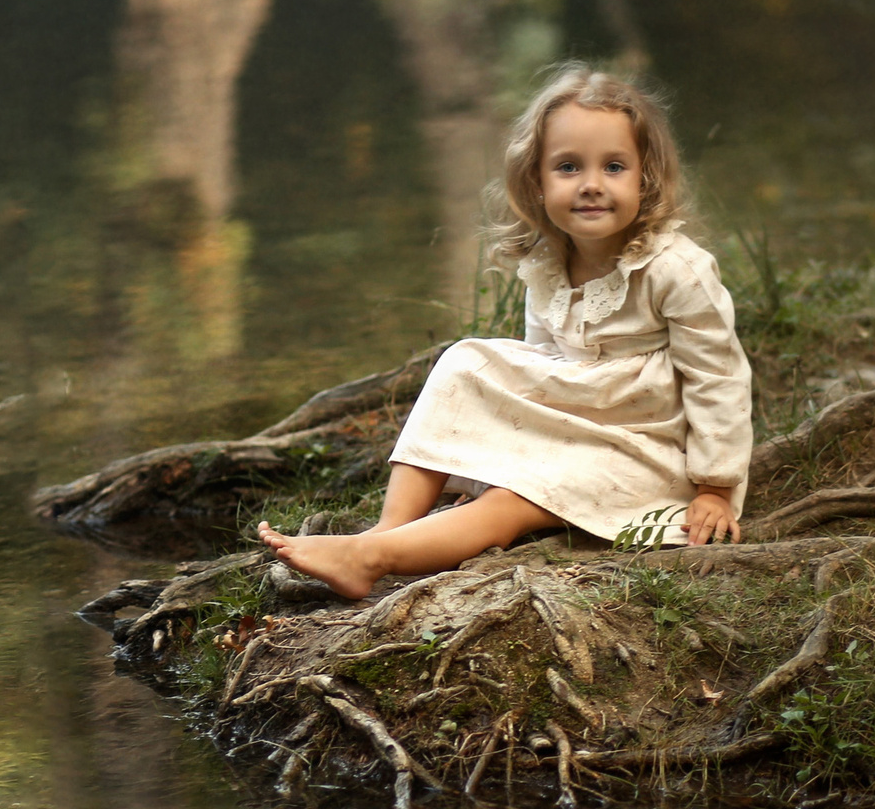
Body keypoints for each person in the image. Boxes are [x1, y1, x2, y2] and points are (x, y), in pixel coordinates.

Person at [257, 64, 754, 599]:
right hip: (577, 420)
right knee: (463, 362)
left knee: (514, 499)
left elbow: (718, 378)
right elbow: (539, 367)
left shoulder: (676, 269)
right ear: (536, 183)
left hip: (648, 450)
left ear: (645, 179)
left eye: (614, 167)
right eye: (568, 167)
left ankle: (373, 559)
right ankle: (388, 529)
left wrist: (714, 489)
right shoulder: (547, 263)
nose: (591, 185)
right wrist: (508, 445)